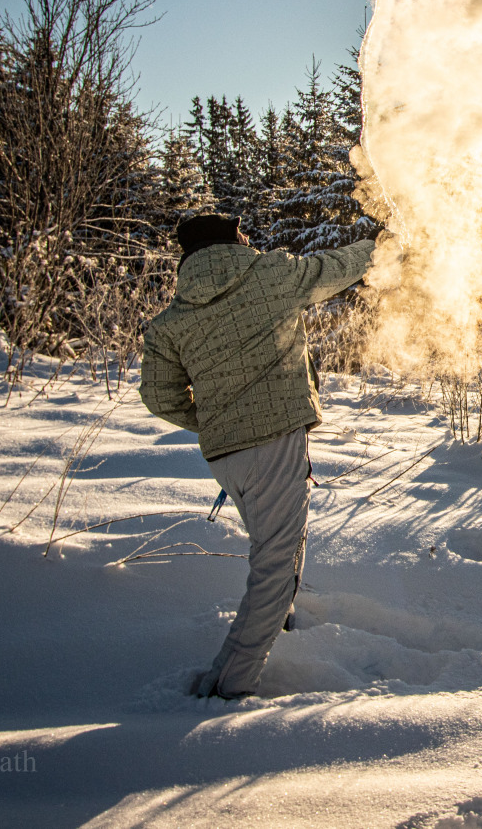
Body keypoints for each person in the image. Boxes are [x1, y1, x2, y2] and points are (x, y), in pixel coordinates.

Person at [139, 213, 376, 699]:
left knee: (275, 553)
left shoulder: (172, 320)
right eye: (241, 233)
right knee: (275, 564)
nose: (248, 238)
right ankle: (231, 685)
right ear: (232, 240)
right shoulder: (270, 274)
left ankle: (270, 636)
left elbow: (159, 397)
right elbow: (334, 267)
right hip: (273, 446)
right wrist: (378, 246)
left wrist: (217, 421)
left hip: (226, 457)